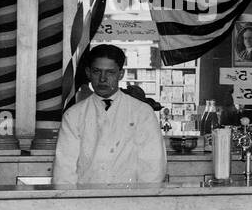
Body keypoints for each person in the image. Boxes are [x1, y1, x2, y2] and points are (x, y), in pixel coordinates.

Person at [53, 44, 167, 186]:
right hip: (85, 200)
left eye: (110, 72)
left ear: (121, 74)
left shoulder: (142, 112)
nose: (103, 79)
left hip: (130, 199)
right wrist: (69, 203)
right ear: (88, 73)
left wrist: (143, 201)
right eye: (97, 71)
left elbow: (153, 166)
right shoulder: (74, 115)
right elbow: (64, 168)